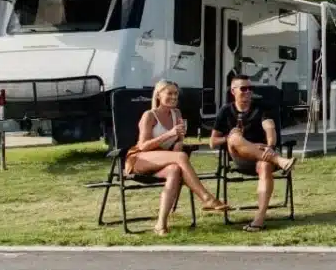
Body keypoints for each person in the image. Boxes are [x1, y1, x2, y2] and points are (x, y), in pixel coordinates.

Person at [124, 79, 232, 235]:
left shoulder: (177, 114)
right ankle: (206, 197)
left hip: (164, 160)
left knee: (175, 169)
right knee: (180, 158)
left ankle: (160, 224)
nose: (174, 97)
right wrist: (170, 134)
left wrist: (178, 141)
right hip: (140, 159)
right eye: (170, 93)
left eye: (176, 94)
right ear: (159, 95)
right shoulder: (149, 115)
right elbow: (143, 146)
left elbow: (178, 144)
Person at [210, 74, 296, 232]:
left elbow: (270, 128)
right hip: (239, 157)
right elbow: (213, 141)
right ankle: (280, 160)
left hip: (263, 155)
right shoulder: (225, 110)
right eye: (243, 89)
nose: (248, 92)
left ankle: (260, 219)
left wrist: (270, 145)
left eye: (250, 88)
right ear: (233, 91)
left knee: (265, 166)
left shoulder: (262, 107)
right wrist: (229, 138)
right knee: (235, 136)